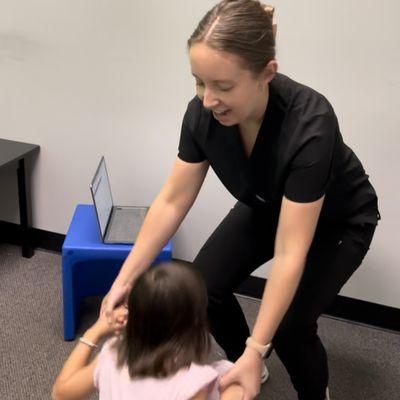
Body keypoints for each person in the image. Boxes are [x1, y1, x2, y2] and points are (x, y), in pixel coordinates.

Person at [102, 1, 380, 399]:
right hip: (268, 202)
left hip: (339, 220)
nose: (208, 98)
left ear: (267, 74)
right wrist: (123, 281)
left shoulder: (310, 122)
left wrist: (259, 343)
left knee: (290, 326)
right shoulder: (202, 116)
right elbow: (172, 202)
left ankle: (314, 392)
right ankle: (246, 366)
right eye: (199, 81)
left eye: (223, 86)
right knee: (202, 288)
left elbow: (289, 252)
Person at [53, 262, 243, 400]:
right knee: (234, 379)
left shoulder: (112, 354)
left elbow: (61, 393)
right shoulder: (192, 382)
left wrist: (94, 331)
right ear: (197, 324)